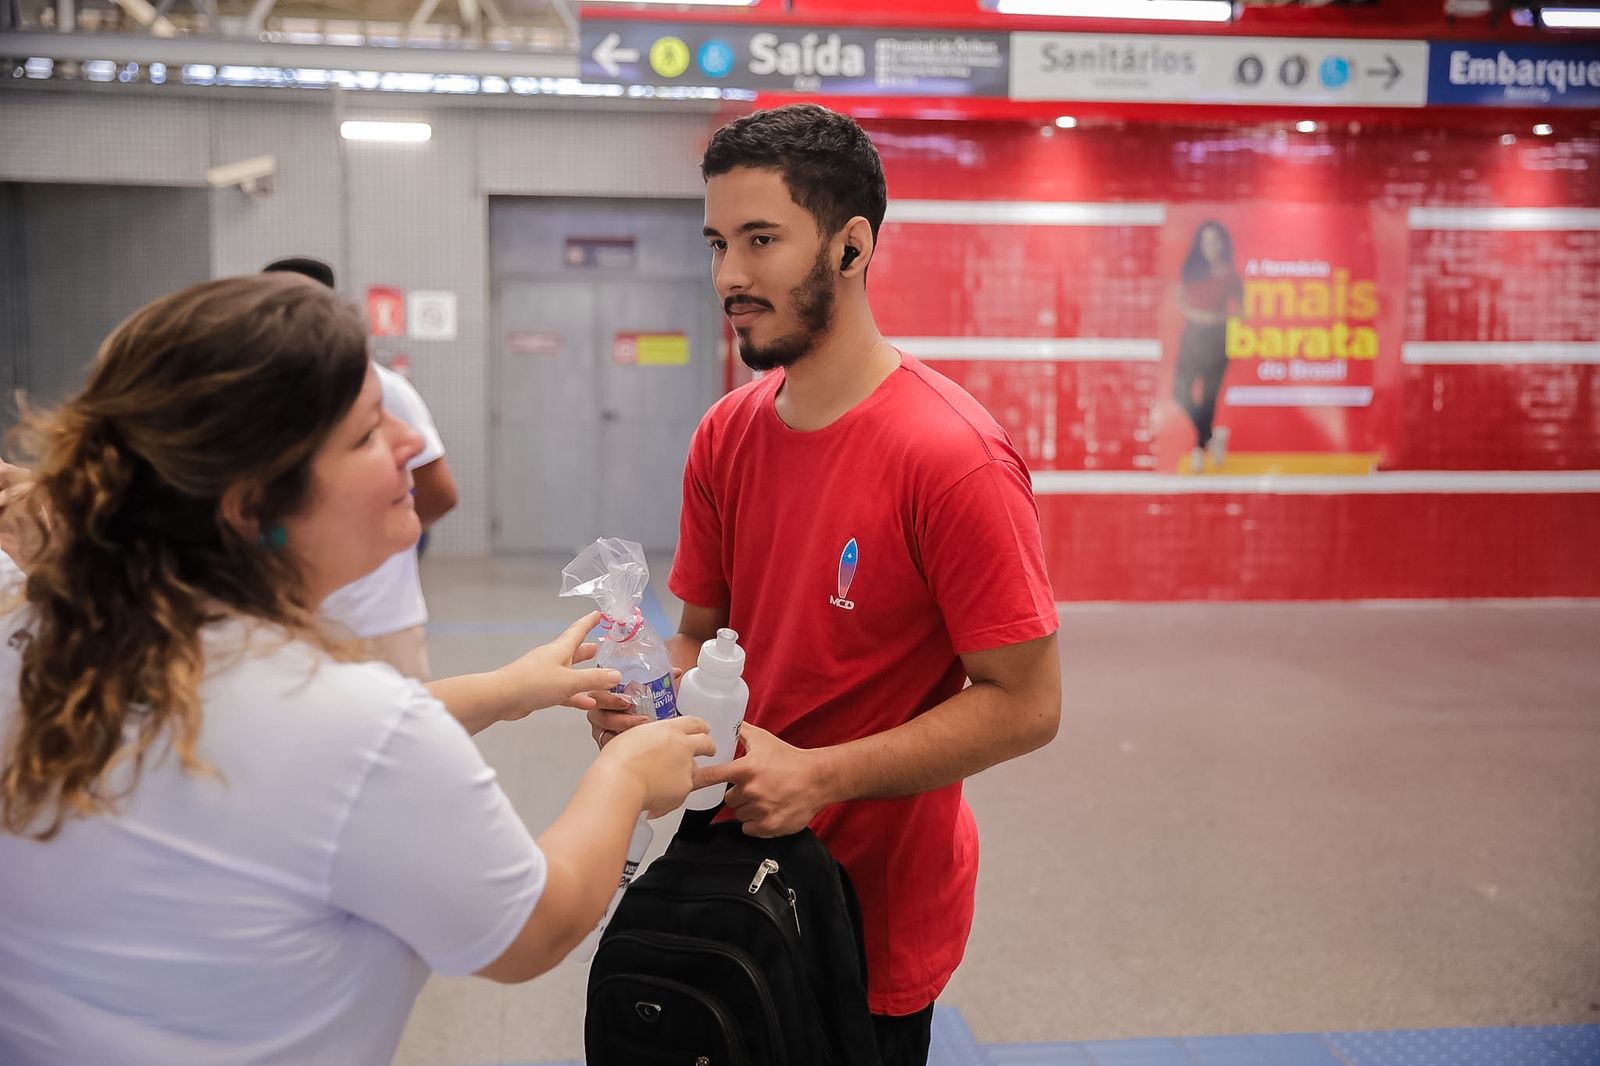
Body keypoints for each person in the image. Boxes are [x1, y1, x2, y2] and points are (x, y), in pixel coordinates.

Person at [0, 273, 712, 1065]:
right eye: (368, 432)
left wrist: (511, 690)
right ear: (252, 503)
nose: (410, 442)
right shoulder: (351, 722)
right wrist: (625, 777)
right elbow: (534, 930)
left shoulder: (46, 627)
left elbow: (281, 749)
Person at [587, 103, 1063, 1066]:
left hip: (867, 917)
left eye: (761, 240)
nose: (729, 275)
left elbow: (1027, 705)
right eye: (718, 242)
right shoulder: (727, 433)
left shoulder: (952, 458)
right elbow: (702, 634)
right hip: (724, 882)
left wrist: (818, 776)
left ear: (851, 246)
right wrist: (648, 700)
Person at [262, 256, 457, 680]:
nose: (408, 444)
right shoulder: (258, 400)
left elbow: (438, 492)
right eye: (367, 433)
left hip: (375, 618)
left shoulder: (382, 386)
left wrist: (374, 535)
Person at [1173, 220, 1244, 474]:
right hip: (1193, 335)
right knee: (1180, 392)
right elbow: (1179, 299)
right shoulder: (1191, 271)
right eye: (1206, 242)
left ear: (1222, 244)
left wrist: (1216, 318)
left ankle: (1199, 449)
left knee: (1207, 397)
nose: (1210, 247)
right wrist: (1197, 315)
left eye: (1215, 242)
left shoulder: (1230, 275)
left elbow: (1241, 312)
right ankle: (1212, 437)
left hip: (1217, 338)